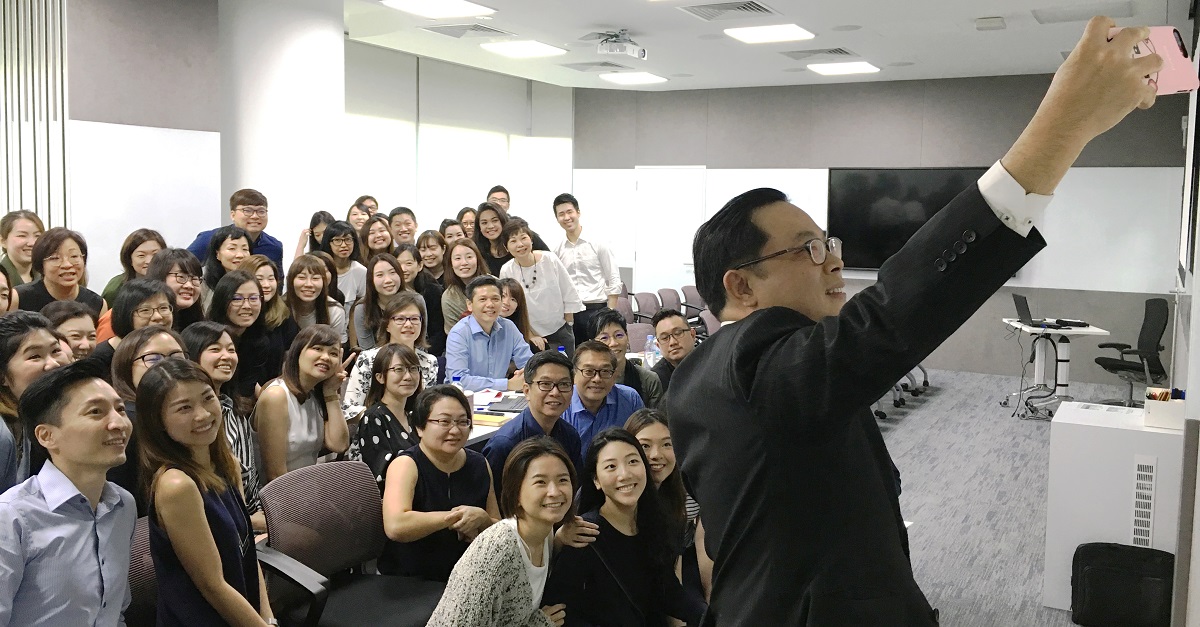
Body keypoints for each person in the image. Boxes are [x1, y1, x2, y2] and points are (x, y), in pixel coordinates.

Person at [664, 19, 1160, 625]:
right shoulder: (745, 359)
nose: (835, 259)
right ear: (740, 285)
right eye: (809, 248)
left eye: (831, 241)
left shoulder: (728, 382)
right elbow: (883, 323)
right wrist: (1063, 126)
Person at [137, 359, 274, 625]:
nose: (202, 415)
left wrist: (268, 618)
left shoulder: (227, 464)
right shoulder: (177, 485)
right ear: (158, 421)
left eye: (207, 398)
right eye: (184, 408)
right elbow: (212, 586)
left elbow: (246, 550)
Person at [0, 360, 135, 626]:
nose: (118, 423)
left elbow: (113, 612)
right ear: (47, 436)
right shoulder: (12, 516)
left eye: (120, 409)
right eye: (96, 412)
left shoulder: (122, 505)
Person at [543, 428, 704, 626]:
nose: (625, 474)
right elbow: (563, 612)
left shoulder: (654, 522)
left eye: (633, 461)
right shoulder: (584, 534)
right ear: (596, 480)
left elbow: (669, 592)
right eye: (611, 466)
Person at [427, 436, 576, 626]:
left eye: (563, 480)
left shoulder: (545, 533)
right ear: (516, 493)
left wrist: (560, 540)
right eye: (540, 482)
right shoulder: (497, 550)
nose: (554, 491)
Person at [380, 385, 498, 581]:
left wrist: (483, 519)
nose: (455, 430)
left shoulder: (479, 463)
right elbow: (396, 526)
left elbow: (496, 526)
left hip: (469, 575)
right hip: (411, 579)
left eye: (462, 422)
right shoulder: (405, 464)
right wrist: (457, 518)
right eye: (444, 422)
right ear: (419, 426)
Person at [183, 321, 265, 532]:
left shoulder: (233, 407)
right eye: (215, 349)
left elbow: (251, 481)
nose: (227, 356)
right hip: (224, 526)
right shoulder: (191, 422)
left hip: (251, 513)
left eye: (231, 350)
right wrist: (253, 522)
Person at [625, 409, 712, 604]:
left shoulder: (682, 487)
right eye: (645, 446)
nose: (656, 455)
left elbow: (676, 561)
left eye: (667, 444)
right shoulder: (621, 495)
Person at [254, 325, 350, 481]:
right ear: (298, 352)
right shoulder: (276, 395)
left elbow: (339, 444)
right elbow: (275, 474)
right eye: (317, 349)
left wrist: (331, 392)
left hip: (307, 488)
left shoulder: (315, 394)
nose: (326, 357)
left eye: (333, 353)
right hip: (278, 496)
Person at [481, 350, 582, 500]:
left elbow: (575, 488)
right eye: (545, 384)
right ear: (527, 391)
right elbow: (494, 503)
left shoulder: (570, 434)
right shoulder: (504, 444)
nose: (555, 392)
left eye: (564, 384)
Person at [110, 324, 187, 511]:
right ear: (126, 367)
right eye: (153, 358)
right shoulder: (126, 422)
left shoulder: (187, 412)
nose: (168, 365)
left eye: (176, 356)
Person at [0, 312, 68, 492]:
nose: (52, 364)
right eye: (35, 356)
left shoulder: (28, 414)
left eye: (56, 351)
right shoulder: (3, 434)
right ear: (2, 376)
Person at [343, 292, 439, 419]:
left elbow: (427, 409)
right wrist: (388, 419)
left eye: (415, 319)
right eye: (400, 319)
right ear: (387, 325)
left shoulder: (429, 362)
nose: (408, 324)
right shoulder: (368, 359)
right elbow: (349, 409)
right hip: (376, 429)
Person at [499, 218, 583, 356]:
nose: (519, 244)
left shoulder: (550, 259)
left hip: (560, 329)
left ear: (531, 239)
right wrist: (530, 334)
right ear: (506, 247)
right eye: (513, 241)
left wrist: (569, 324)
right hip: (529, 334)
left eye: (523, 238)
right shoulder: (506, 270)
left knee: (566, 369)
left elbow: (568, 292)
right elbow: (510, 308)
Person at [552, 194, 622, 346]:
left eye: (569, 212)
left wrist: (609, 313)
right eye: (561, 214)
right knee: (576, 359)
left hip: (597, 309)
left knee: (601, 357)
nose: (567, 217)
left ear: (578, 212)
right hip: (571, 314)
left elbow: (614, 278)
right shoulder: (557, 250)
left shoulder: (598, 243)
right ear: (557, 218)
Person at [445, 276, 534, 392]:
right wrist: (507, 384)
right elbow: (458, 379)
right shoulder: (459, 333)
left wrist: (526, 374)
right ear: (469, 304)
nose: (490, 304)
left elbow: (530, 364)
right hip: (465, 401)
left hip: (500, 400)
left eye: (495, 299)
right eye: (483, 299)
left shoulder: (508, 327)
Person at [354, 343, 423, 476]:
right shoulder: (373, 418)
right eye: (399, 369)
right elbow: (380, 472)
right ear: (380, 377)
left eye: (413, 369)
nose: (408, 376)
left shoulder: (413, 415)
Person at [564, 341, 644, 456]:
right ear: (574, 374)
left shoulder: (630, 399)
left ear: (614, 375)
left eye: (605, 371)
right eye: (589, 371)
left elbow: (642, 443)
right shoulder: (562, 403)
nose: (597, 379)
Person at [85, 278, 176, 380]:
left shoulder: (175, 348)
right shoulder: (99, 360)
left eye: (163, 308)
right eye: (145, 310)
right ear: (126, 314)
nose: (158, 316)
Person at [208, 270, 270, 399]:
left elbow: (247, 388)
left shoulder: (258, 341)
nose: (247, 306)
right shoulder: (204, 337)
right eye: (237, 298)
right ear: (222, 300)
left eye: (253, 298)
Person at [16, 227, 106, 317]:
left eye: (74, 256)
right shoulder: (19, 298)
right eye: (55, 258)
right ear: (40, 264)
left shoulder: (97, 304)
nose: (67, 265)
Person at [187, 188, 283, 270]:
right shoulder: (208, 239)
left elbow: (276, 282)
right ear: (233, 215)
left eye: (261, 211)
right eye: (247, 210)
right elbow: (183, 268)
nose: (255, 216)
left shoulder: (274, 247)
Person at [241, 255, 300, 384]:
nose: (267, 285)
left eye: (271, 278)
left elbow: (289, 357)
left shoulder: (283, 314)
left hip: (275, 388)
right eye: (259, 279)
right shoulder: (240, 316)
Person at [591, 308, 663, 409]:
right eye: (604, 338)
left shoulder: (648, 380)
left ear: (628, 337)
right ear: (592, 343)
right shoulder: (586, 381)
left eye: (619, 335)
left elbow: (655, 421)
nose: (613, 343)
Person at [395, 243, 447, 356]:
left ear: (420, 265)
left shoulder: (432, 291)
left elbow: (437, 333)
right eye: (398, 264)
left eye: (409, 263)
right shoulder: (390, 291)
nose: (403, 269)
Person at [286, 254, 348, 345]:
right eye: (302, 277)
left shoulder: (335, 311)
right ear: (290, 281)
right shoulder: (280, 309)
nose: (309, 284)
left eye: (315, 278)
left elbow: (332, 348)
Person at [474, 202, 551, 276]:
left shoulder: (524, 237)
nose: (490, 226)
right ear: (479, 227)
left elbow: (548, 262)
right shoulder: (479, 252)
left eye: (495, 220)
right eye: (484, 223)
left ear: (503, 220)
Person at [349, 253, 402, 352]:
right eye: (380, 275)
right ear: (371, 280)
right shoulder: (362, 309)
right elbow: (368, 352)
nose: (388, 280)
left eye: (392, 272)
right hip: (377, 363)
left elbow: (420, 342)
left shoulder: (415, 301)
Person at [146, 248, 206, 332]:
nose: (189, 285)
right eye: (181, 277)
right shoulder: (146, 323)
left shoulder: (199, 327)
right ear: (160, 277)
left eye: (194, 279)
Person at [101, 228, 166, 305]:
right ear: (129, 259)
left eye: (155, 254)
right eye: (141, 255)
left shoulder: (172, 282)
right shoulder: (114, 289)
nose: (149, 261)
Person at [441, 238, 488, 334]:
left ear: (478, 259)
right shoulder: (449, 296)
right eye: (458, 258)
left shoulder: (495, 285)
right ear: (451, 263)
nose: (464, 263)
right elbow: (453, 334)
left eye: (469, 257)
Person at [318, 220, 367, 308]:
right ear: (328, 243)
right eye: (337, 240)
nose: (344, 245)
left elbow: (361, 305)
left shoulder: (361, 271)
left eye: (348, 239)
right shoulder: (320, 268)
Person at [201, 225, 251, 310]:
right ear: (217, 254)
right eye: (232, 248)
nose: (240, 255)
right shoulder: (202, 279)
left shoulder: (253, 280)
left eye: (245, 249)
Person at [650, 309, 696, 392]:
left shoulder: (712, 362)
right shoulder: (656, 379)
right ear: (658, 346)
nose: (672, 342)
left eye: (678, 333)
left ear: (692, 335)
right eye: (664, 338)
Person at [500, 277, 547, 352]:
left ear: (517, 307)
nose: (506, 302)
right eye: (503, 296)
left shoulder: (515, 330)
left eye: (513, 299)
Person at [0, 210, 43, 287]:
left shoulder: (47, 278)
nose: (32, 243)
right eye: (22, 236)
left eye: (37, 236)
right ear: (3, 241)